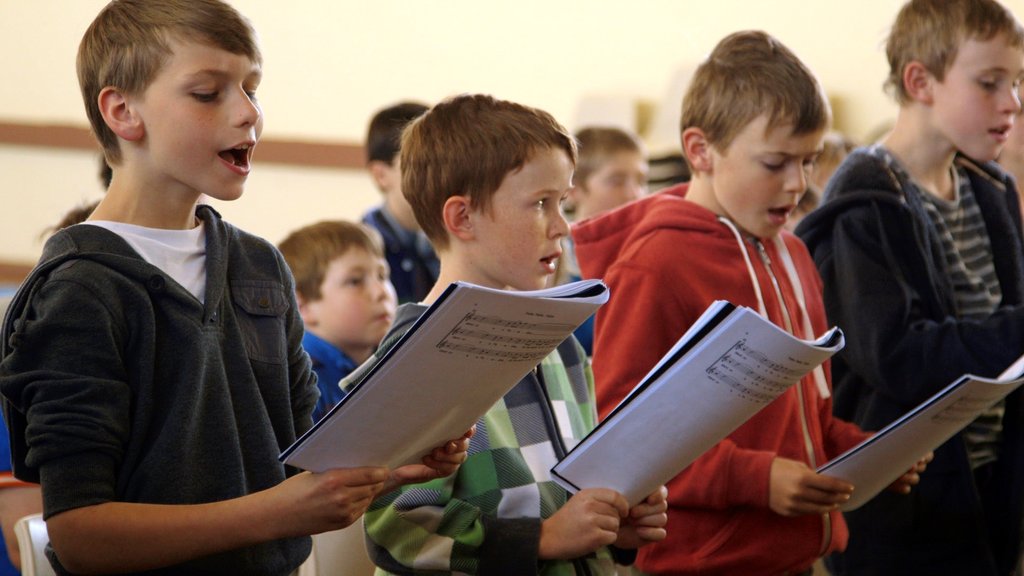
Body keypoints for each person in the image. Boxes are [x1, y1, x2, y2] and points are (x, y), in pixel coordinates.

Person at [0, 2, 469, 574]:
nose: (249, 113)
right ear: (123, 112)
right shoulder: (79, 289)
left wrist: (396, 461)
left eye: (252, 89)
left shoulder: (259, 266)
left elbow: (296, 464)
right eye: (208, 93)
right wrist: (276, 513)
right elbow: (79, 535)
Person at [574, 31, 925, 575]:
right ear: (700, 151)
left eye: (808, 161)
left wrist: (865, 451)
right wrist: (756, 479)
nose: (798, 184)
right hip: (701, 563)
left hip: (797, 555)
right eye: (775, 163)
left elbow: (806, 417)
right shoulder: (656, 263)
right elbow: (621, 442)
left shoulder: (793, 253)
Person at [360, 93, 668, 575]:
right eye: (541, 203)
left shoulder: (561, 340)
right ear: (462, 218)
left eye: (562, 203)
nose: (562, 226)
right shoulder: (422, 353)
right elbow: (398, 526)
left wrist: (611, 525)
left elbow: (566, 498)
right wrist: (541, 539)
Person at [796, 1, 1024, 574]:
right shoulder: (865, 200)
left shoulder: (990, 187)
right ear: (920, 81)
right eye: (990, 83)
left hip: (989, 491)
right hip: (907, 514)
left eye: (1017, 82)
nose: (1012, 103)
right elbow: (899, 356)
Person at [278, 220, 397, 421]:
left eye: (382, 275)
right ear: (302, 307)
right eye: (355, 281)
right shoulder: (300, 382)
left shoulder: (391, 360)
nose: (381, 292)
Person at [555, 126, 649, 355]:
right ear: (574, 190)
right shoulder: (556, 260)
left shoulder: (645, 253)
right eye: (617, 181)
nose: (635, 194)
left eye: (641, 181)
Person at [363, 101, 440, 304]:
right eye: (422, 164)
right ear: (380, 175)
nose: (440, 175)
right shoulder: (360, 254)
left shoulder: (453, 242)